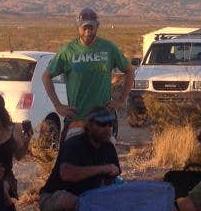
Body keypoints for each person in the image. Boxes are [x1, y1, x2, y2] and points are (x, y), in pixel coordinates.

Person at [42, 8, 135, 140]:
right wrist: (58, 105)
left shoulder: (108, 48)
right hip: (77, 119)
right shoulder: (68, 51)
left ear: (97, 26)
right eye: (84, 27)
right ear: (78, 28)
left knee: (106, 158)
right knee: (70, 159)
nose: (87, 32)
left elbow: (130, 70)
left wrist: (121, 100)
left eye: (91, 27)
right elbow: (46, 76)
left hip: (102, 118)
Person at [38, 106, 121, 211]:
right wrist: (102, 169)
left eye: (110, 123)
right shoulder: (74, 144)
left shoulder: (108, 146)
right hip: (54, 197)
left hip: (87, 197)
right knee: (69, 201)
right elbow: (66, 174)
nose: (108, 128)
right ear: (90, 125)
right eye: (102, 124)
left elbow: (114, 172)